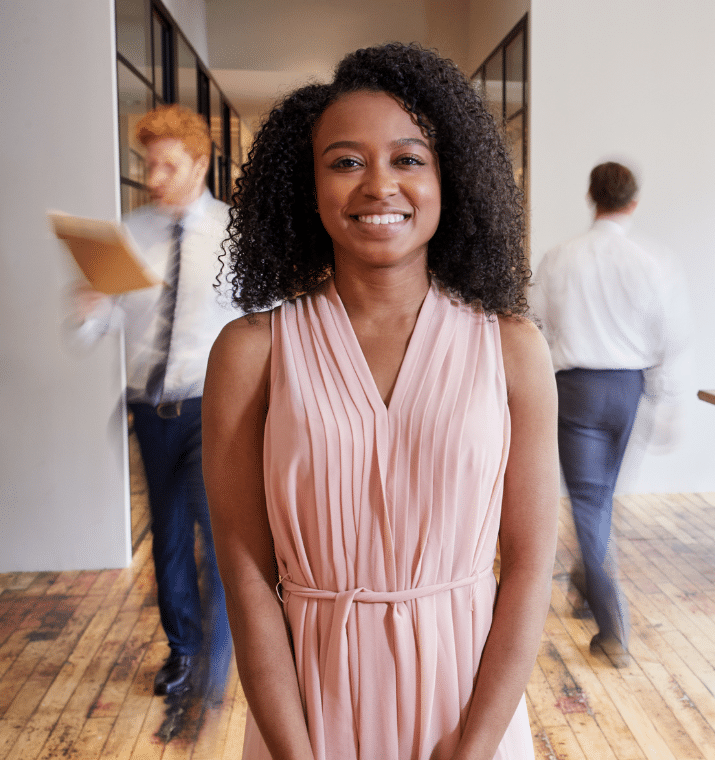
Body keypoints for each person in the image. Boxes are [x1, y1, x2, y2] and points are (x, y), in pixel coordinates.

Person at [202, 43, 559, 760]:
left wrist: (476, 747)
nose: (378, 185)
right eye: (345, 161)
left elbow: (527, 566)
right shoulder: (252, 352)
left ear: (447, 177)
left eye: (408, 159)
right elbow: (246, 573)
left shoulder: (513, 348)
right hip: (308, 704)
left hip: (466, 711)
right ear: (307, 184)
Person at [72, 104, 238, 698]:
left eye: (169, 165)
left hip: (214, 406)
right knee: (167, 537)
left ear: (200, 162)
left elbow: (263, 323)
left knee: (216, 531)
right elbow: (94, 331)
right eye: (149, 165)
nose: (155, 178)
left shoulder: (234, 234)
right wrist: (91, 309)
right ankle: (185, 650)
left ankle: (222, 654)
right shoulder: (128, 236)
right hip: (150, 408)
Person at [530, 161, 691, 668]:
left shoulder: (560, 258)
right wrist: (665, 400)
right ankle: (589, 586)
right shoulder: (654, 260)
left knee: (590, 503)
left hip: (575, 389)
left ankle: (612, 624)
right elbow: (673, 336)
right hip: (629, 390)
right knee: (600, 500)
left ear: (591, 197)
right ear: (633, 202)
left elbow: (533, 321)